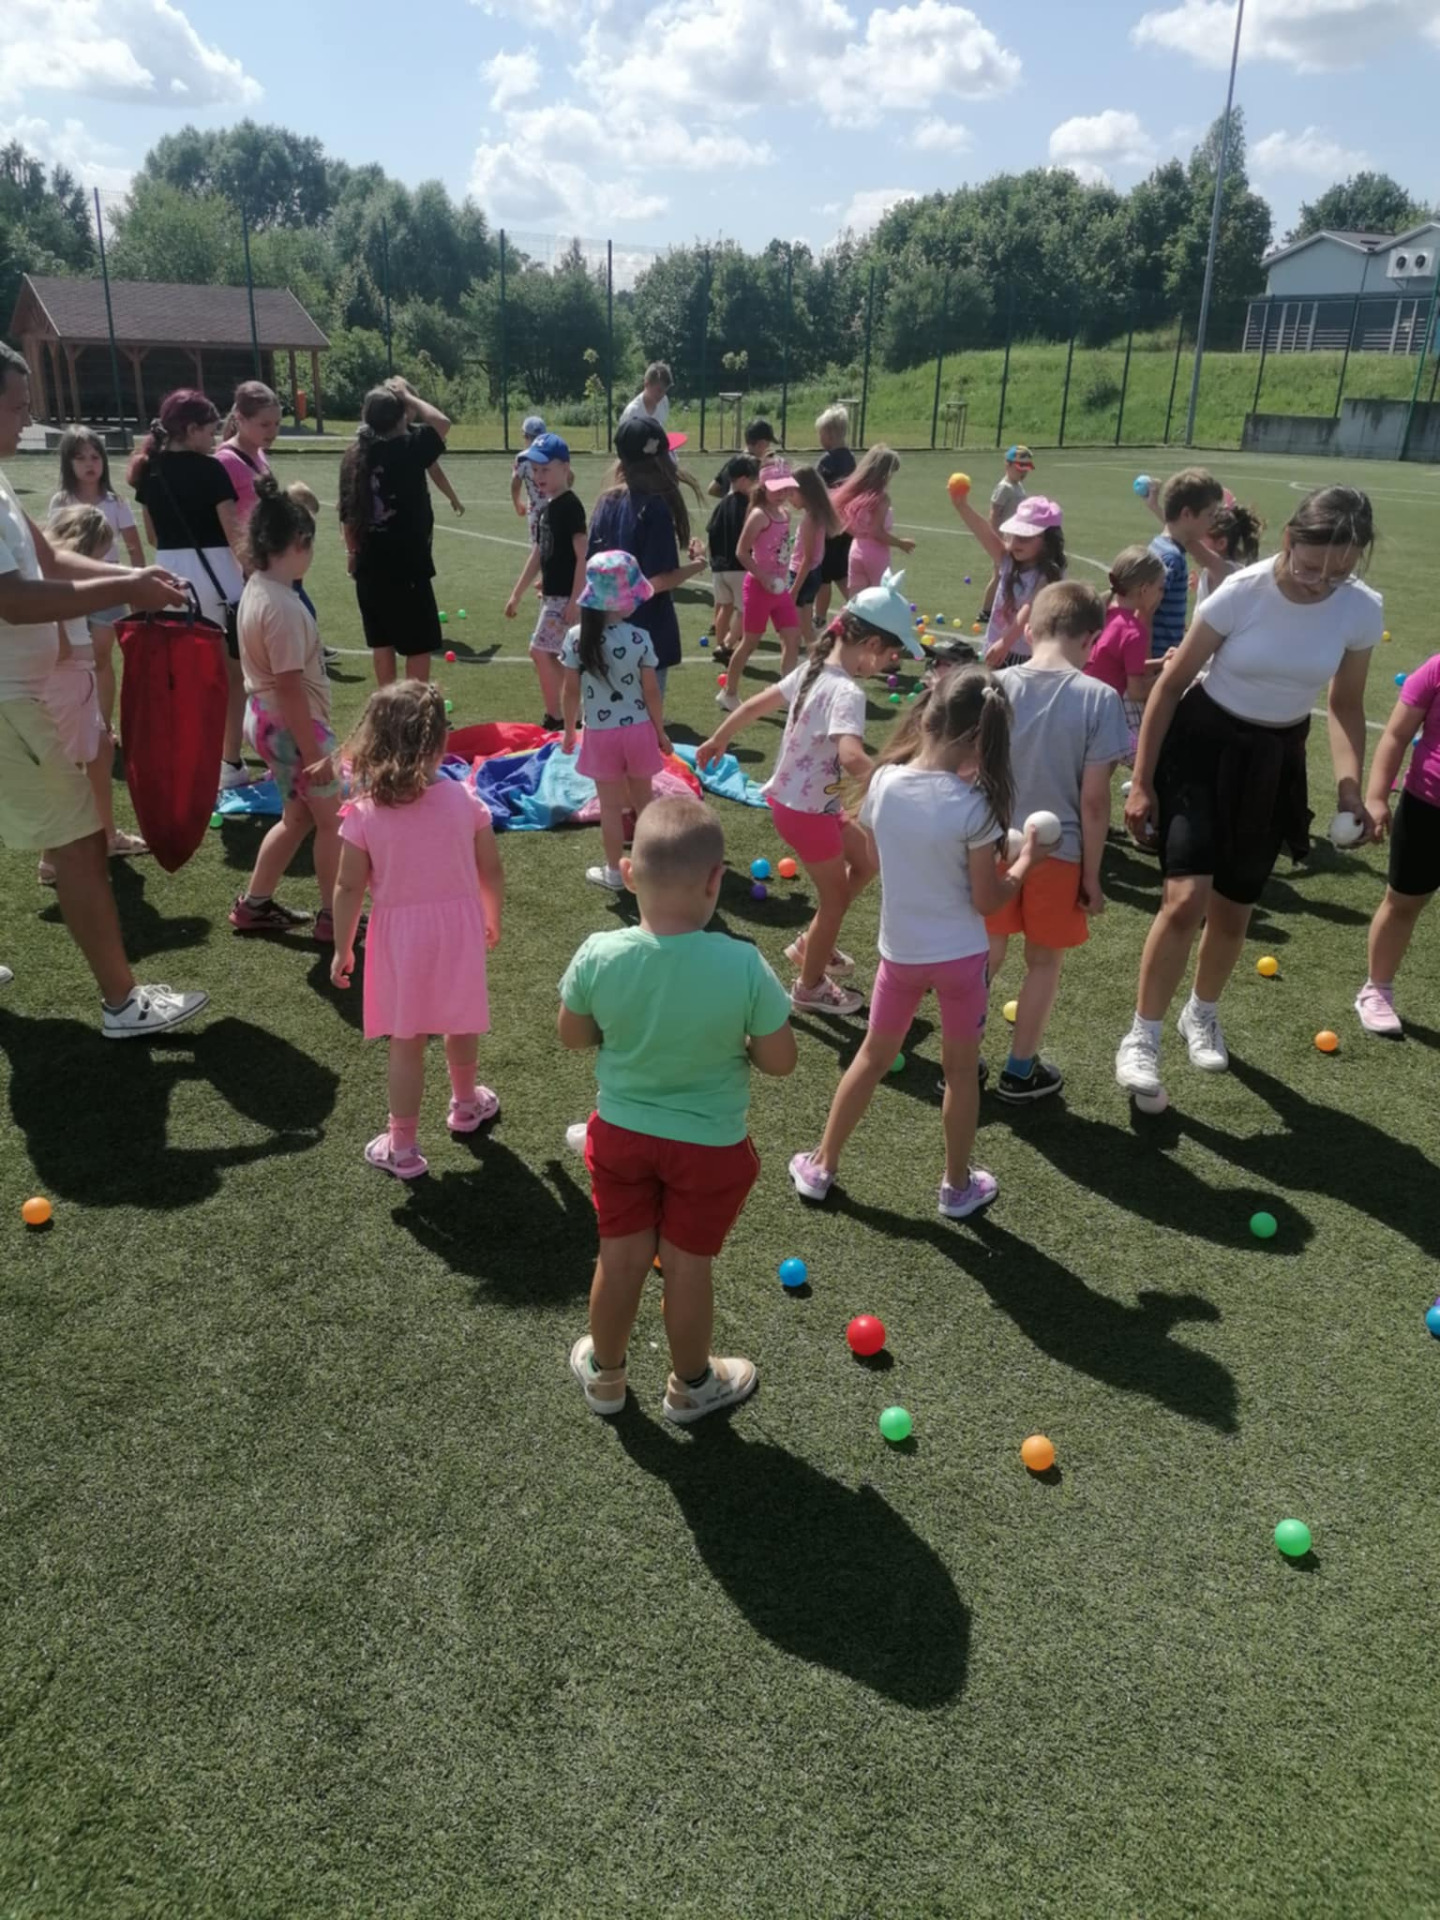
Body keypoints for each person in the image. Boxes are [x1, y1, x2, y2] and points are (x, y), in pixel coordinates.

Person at [1116, 486, 1384, 1104]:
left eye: (1339, 572)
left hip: (1275, 758)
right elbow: (1170, 685)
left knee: (1236, 907)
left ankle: (1201, 1012)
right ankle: (1142, 1036)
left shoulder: (1360, 609)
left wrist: (1351, 788)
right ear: (1289, 539)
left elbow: (1345, 705)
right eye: (1311, 566)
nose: (1321, 583)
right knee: (1186, 899)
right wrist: (1144, 781)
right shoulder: (1241, 592)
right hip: (1203, 744)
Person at [559, 795, 796, 1423]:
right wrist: (739, 1042)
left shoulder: (599, 952)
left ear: (628, 872)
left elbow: (573, 1035)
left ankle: (606, 1377)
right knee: (688, 1266)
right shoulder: (743, 962)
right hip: (711, 1149)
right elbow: (780, 1061)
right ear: (716, 880)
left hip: (620, 1136)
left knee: (620, 1257)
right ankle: (692, 1386)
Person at [789, 665, 1052, 1218]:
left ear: (929, 716)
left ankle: (821, 1165)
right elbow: (988, 901)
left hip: (900, 955)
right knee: (960, 1073)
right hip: (961, 961)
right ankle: (957, 1186)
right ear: (979, 739)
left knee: (871, 1057)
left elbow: (881, 854)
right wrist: (1026, 860)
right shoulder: (976, 807)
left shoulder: (883, 782)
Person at [0, 339, 205, 1032]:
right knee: (80, 844)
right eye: (18, 407)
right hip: (11, 700)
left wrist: (131, 580)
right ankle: (122, 1003)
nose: (27, 420)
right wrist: (128, 590)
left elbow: (51, 559)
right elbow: (13, 598)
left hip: (18, 694)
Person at [697, 571, 922, 1017]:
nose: (887, 665)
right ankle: (810, 986)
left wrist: (719, 737)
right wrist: (897, 784)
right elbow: (851, 755)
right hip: (807, 812)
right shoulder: (847, 692)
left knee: (868, 860)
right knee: (834, 901)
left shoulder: (814, 668)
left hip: (809, 805)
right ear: (871, 645)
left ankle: (813, 943)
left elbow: (754, 703)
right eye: (890, 655)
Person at [330, 680, 504, 1178]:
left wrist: (343, 946)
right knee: (461, 1019)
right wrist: (491, 914)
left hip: (400, 940)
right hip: (459, 931)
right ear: (439, 741)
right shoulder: (464, 800)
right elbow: (491, 869)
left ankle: (402, 1146)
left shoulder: (363, 813)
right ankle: (465, 1104)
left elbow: (348, 886)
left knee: (407, 1041)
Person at [987, 582, 1128, 1101]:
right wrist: (1092, 875)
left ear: (1029, 631)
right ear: (1092, 639)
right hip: (1059, 854)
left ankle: (961, 1060)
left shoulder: (995, 685)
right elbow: (1094, 801)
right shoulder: (1100, 697)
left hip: (994, 848)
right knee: (1043, 962)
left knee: (985, 954)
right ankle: (1019, 1069)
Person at [228, 477, 344, 941]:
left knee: (296, 818)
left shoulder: (256, 586)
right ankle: (336, 918)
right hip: (293, 728)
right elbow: (291, 687)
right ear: (299, 543)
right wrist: (314, 753)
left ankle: (255, 905)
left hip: (264, 720)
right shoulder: (284, 608)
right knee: (334, 822)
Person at [128, 388, 248, 788]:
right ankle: (229, 763)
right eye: (210, 431)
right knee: (232, 675)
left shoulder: (151, 471)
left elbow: (152, 534)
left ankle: (189, 761)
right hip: (216, 577)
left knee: (182, 676)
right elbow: (233, 532)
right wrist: (255, 571)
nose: (213, 439)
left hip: (168, 577)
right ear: (192, 429)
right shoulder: (211, 470)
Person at [38, 506, 149, 884]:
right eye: (99, 554)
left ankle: (106, 836)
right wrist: (78, 648)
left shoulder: (53, 577)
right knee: (68, 771)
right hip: (67, 687)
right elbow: (57, 647)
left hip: (75, 686)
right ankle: (53, 859)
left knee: (100, 751)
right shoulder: (54, 583)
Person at [560, 550, 672, 890]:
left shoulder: (576, 637)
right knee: (644, 804)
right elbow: (652, 693)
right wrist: (660, 732)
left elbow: (570, 691)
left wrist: (568, 730)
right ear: (626, 600)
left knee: (610, 809)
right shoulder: (640, 638)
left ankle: (613, 872)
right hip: (639, 731)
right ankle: (652, 869)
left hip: (600, 734)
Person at [338, 377, 451, 688]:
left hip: (369, 564)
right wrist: (409, 397)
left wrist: (351, 552)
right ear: (402, 416)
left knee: (382, 642)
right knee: (418, 645)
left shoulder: (353, 455)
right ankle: (412, 707)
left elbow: (347, 513)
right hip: (407, 566)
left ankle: (387, 705)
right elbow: (442, 422)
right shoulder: (409, 447)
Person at [588, 413, 707, 701]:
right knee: (646, 715)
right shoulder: (654, 508)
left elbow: (592, 566)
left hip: (605, 627)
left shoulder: (606, 502)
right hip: (647, 631)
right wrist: (698, 565)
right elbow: (658, 580)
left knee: (610, 710)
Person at [1354, 652, 1440, 1036]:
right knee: (1403, 901)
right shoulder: (1436, 669)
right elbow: (1396, 734)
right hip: (1427, 806)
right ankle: (1377, 990)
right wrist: (1376, 797)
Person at [49, 425, 144, 732]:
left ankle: (103, 726)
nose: (89, 464)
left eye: (95, 457)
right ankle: (76, 723)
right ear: (68, 463)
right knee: (74, 659)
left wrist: (138, 589)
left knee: (101, 658)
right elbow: (53, 550)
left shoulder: (116, 503)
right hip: (70, 590)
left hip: (108, 591)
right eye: (80, 458)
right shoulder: (61, 502)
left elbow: (134, 547)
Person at [502, 433, 586, 729]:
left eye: (545, 469)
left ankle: (559, 716)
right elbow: (539, 553)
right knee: (551, 655)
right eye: (535, 470)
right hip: (553, 597)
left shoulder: (570, 506)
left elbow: (582, 555)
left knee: (540, 651)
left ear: (565, 468)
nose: (539, 476)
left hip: (565, 599)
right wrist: (517, 593)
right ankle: (569, 713)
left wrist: (575, 600)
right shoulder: (546, 508)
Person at [949, 490, 1066, 668]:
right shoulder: (1009, 560)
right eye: (1014, 535)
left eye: (1025, 537)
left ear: (1047, 541)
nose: (1016, 542)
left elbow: (1029, 610)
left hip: (1026, 656)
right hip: (998, 646)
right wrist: (962, 506)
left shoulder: (1048, 575)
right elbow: (984, 533)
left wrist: (1005, 642)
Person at [717, 467, 801, 708]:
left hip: (779, 589)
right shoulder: (759, 515)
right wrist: (763, 577)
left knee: (792, 638)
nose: (782, 493)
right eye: (777, 489)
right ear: (764, 488)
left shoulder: (785, 514)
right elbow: (741, 552)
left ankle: (787, 693)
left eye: (786, 488)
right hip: (758, 588)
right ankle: (729, 693)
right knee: (750, 642)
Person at [1085, 546, 1167, 755]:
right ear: (1144, 589)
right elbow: (1136, 691)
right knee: (1146, 757)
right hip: (1100, 715)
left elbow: (1119, 665)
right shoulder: (1133, 631)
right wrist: (1168, 673)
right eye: (1160, 588)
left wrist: (1160, 662)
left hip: (1082, 705)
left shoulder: (1105, 613)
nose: (1161, 595)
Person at [1140, 467, 1224, 659]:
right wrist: (1148, 664)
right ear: (1186, 514)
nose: (1212, 522)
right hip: (1157, 659)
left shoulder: (1160, 545)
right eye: (1210, 515)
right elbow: (1144, 612)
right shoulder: (1173, 558)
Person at [832, 446, 914, 593]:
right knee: (881, 598)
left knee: (856, 600)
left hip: (856, 550)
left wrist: (859, 534)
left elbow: (842, 519)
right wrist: (901, 543)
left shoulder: (857, 493)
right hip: (876, 554)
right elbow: (877, 532)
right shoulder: (881, 498)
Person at [704, 453, 758, 667]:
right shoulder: (748, 506)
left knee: (724, 607)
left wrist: (713, 561)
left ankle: (720, 644)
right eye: (754, 480)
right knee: (744, 610)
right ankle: (727, 646)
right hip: (739, 567)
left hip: (720, 568)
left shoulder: (722, 504)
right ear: (743, 480)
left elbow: (711, 531)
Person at [787, 465, 843, 665]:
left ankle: (804, 662)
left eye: (792, 493)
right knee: (805, 626)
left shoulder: (810, 520)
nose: (789, 498)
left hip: (803, 575)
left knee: (792, 629)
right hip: (812, 574)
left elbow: (808, 558)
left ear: (805, 492)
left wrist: (794, 589)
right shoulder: (816, 516)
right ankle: (818, 659)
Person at [216, 380, 282, 535]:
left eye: (277, 423)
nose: (273, 432)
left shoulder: (259, 453)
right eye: (264, 425)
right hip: (240, 549)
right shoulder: (226, 462)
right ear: (240, 418)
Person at [978, 444, 1035, 621]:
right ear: (1008, 465)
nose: (1023, 472)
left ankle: (1006, 607)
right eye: (1020, 467)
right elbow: (994, 514)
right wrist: (996, 539)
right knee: (999, 575)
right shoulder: (1004, 487)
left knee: (1009, 575)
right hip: (1003, 540)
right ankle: (986, 610)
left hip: (1014, 539)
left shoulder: (1018, 486)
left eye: (1027, 467)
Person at [814, 404, 857, 626]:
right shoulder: (850, 459)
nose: (819, 438)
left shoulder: (827, 461)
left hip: (829, 526)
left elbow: (816, 491)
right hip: (847, 524)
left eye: (821, 434)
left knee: (824, 577)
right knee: (840, 572)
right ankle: (860, 608)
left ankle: (820, 617)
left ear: (829, 435)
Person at [1195, 500, 1263, 611]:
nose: (1196, 541)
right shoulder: (1209, 572)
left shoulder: (1229, 572)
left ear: (1221, 543)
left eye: (1200, 537)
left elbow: (1187, 541)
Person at [708, 418, 776, 497]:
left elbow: (712, 489)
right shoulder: (757, 466)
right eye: (768, 444)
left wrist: (730, 499)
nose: (769, 447)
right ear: (761, 443)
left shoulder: (734, 462)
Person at [510, 414, 547, 544]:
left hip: (536, 510)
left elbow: (515, 484)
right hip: (557, 506)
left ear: (526, 436)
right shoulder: (553, 453)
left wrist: (517, 504)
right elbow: (569, 477)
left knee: (537, 547)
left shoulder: (523, 458)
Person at [619, 363, 672, 429]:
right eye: (659, 390)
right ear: (647, 384)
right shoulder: (632, 412)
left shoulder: (664, 402)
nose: (662, 395)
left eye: (665, 391)